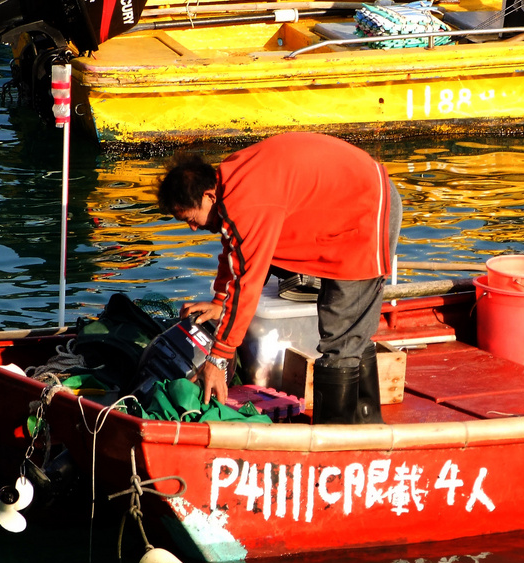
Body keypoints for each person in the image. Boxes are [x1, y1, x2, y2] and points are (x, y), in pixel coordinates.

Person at [155, 131, 401, 425]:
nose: (193, 228)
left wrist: (218, 357)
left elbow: (249, 280)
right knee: (347, 331)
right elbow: (235, 247)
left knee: (341, 333)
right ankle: (365, 421)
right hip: (343, 203)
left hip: (367, 208)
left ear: (209, 196)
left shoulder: (248, 203)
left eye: (190, 219)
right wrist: (221, 300)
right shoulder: (232, 181)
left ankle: (337, 433)